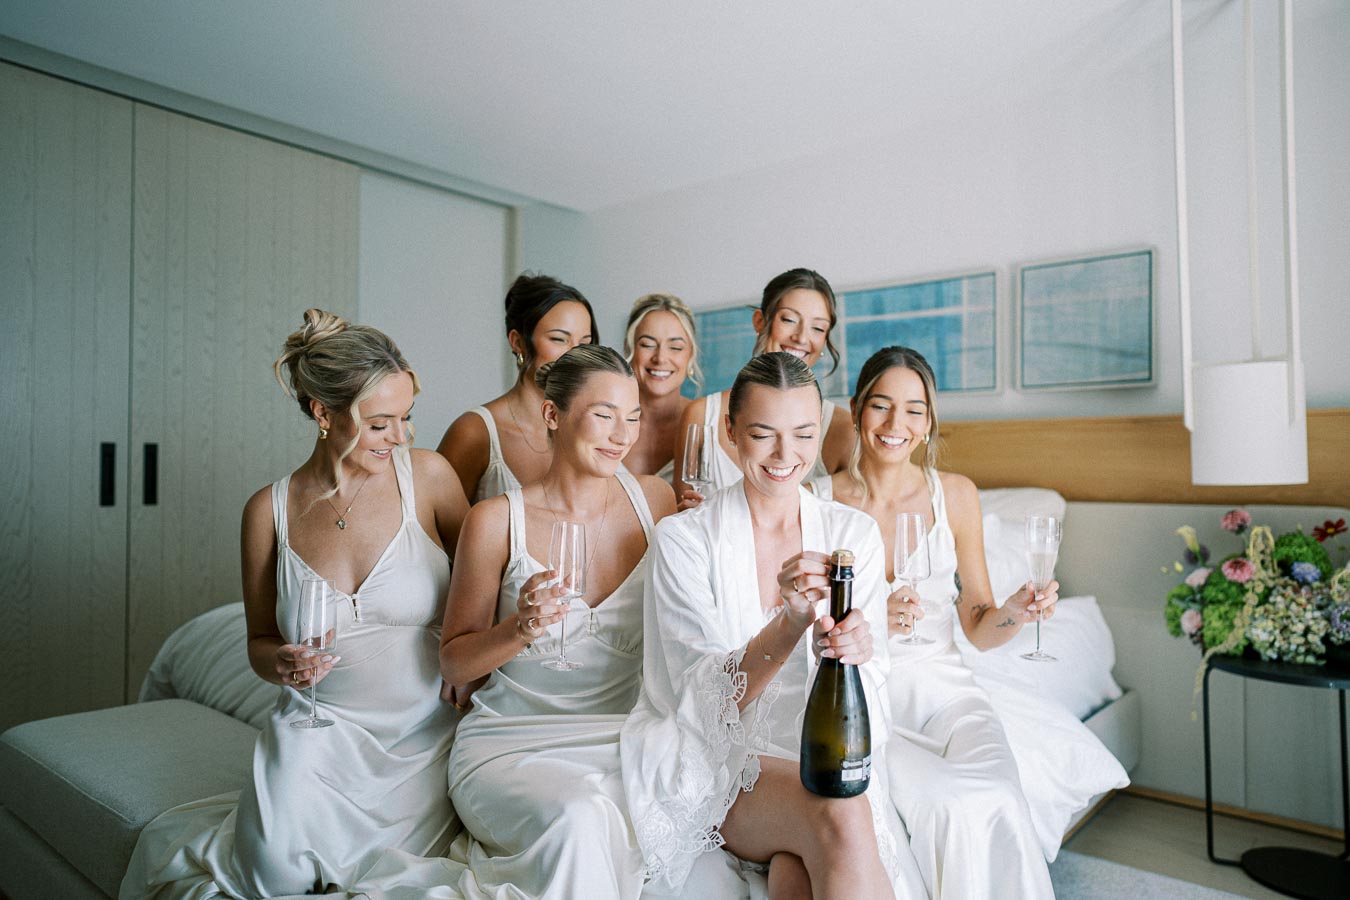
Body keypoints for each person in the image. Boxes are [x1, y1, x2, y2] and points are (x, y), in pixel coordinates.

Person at [121, 309, 469, 898]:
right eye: (381, 424)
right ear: (322, 413)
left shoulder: (429, 478)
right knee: (270, 875)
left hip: (424, 733)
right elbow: (258, 640)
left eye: (406, 418)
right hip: (318, 729)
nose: (402, 437)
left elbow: (483, 594)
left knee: (390, 876)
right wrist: (279, 662)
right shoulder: (268, 512)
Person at [621, 352, 928, 899]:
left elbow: (873, 681)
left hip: (825, 753)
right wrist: (789, 623)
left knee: (798, 874)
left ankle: (788, 851)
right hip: (725, 759)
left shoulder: (851, 534)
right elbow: (705, 703)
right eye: (764, 435)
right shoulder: (683, 541)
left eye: (805, 435)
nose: (787, 456)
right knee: (840, 816)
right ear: (730, 431)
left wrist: (860, 648)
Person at [808, 345, 1056, 899]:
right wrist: (869, 616)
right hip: (863, 700)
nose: (897, 424)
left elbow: (978, 626)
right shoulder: (816, 502)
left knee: (996, 793)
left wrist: (1016, 610)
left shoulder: (958, 496)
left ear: (929, 421)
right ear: (855, 409)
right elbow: (790, 619)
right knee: (946, 802)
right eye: (881, 406)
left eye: (914, 409)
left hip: (949, 695)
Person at [436, 345, 677, 898]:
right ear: (553, 415)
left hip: (625, 741)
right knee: (582, 818)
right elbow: (453, 660)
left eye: (633, 417)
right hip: (512, 743)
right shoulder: (495, 520)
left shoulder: (656, 502)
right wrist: (516, 629)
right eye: (603, 414)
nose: (622, 434)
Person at [672, 268, 853, 504]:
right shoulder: (701, 415)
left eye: (818, 328)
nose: (801, 337)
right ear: (760, 320)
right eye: (789, 319)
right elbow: (684, 507)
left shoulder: (843, 430)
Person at [438, 272, 599, 504]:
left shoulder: (595, 427)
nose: (575, 355)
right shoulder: (475, 432)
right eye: (558, 339)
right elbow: (438, 534)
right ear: (518, 342)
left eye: (584, 343)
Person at [621, 292, 700, 482]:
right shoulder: (603, 420)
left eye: (675, 347)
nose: (660, 358)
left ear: (690, 355)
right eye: (647, 345)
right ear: (628, 349)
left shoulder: (705, 425)